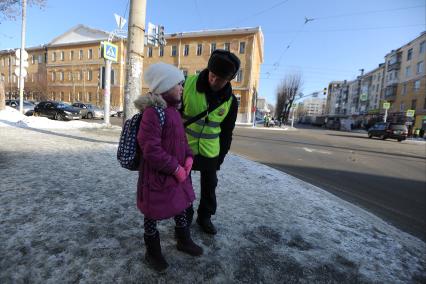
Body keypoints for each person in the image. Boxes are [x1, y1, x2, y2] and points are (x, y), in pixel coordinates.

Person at [135, 62, 203, 272]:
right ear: (164, 88)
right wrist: (176, 168)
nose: (182, 88)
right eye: (178, 84)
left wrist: (189, 157)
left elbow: (182, 142)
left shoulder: (173, 111)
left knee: (181, 207)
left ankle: (183, 240)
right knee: (152, 213)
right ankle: (152, 251)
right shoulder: (153, 113)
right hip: (156, 177)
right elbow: (151, 149)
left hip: (175, 175)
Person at [181, 49, 240, 235]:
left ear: (229, 80)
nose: (214, 81)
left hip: (210, 151)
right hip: (185, 148)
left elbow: (227, 132)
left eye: (220, 79)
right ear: (208, 70)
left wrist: (221, 156)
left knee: (210, 186)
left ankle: (205, 217)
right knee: (184, 186)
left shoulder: (231, 101)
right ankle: (185, 214)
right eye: (212, 75)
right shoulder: (187, 85)